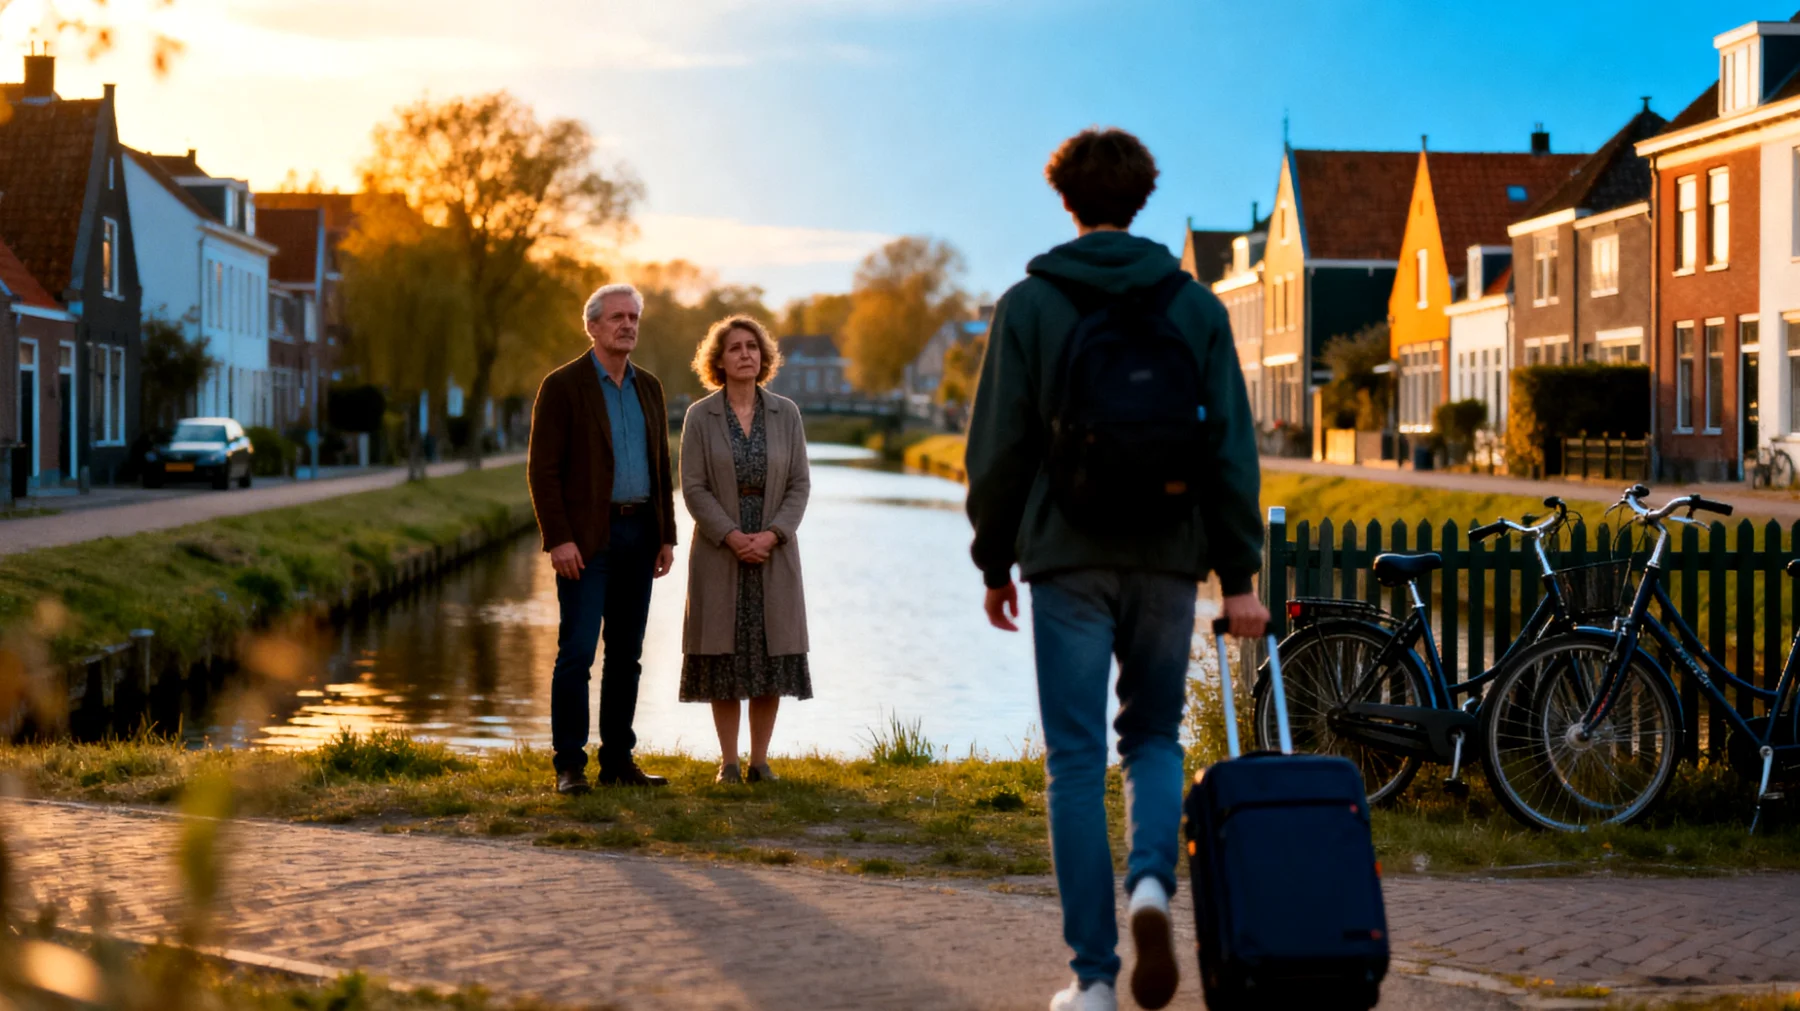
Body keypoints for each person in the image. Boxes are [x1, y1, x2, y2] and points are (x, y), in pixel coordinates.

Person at [964, 128, 1268, 1011]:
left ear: (1065, 198)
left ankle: (1093, 979)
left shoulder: (1029, 304)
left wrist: (994, 559)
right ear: (1142, 197)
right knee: (1155, 736)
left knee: (1074, 758)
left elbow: (998, 449)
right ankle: (1151, 886)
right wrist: (1239, 575)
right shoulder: (1196, 306)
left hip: (1066, 556)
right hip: (1169, 556)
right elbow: (1231, 450)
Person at [527, 283, 679, 794]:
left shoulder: (649, 387)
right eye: (617, 317)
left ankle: (617, 761)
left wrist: (666, 536)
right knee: (576, 652)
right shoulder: (562, 385)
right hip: (587, 540)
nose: (628, 325)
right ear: (592, 326)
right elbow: (543, 471)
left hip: (640, 535)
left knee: (627, 655)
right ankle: (569, 765)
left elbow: (661, 465)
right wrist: (559, 539)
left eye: (633, 317)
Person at [678, 315, 813, 784]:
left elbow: (799, 484)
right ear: (718, 360)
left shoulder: (786, 413)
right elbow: (693, 487)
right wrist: (732, 536)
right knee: (724, 656)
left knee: (769, 655)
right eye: (735, 348)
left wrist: (773, 534)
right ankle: (729, 763)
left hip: (774, 550)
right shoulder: (700, 416)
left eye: (752, 347)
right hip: (721, 549)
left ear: (764, 356)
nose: (745, 355)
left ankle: (759, 761)